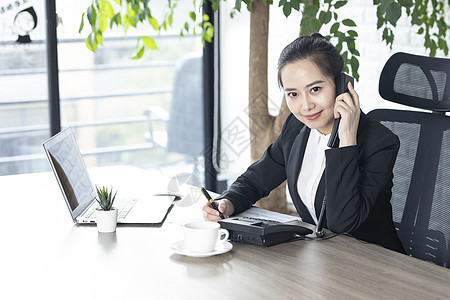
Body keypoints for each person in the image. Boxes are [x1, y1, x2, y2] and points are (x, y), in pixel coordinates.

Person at [203, 33, 405, 253]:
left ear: (341, 84)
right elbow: (255, 181)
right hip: (321, 257)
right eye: (293, 94)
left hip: (373, 264)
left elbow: (341, 222)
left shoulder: (380, 143)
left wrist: (347, 140)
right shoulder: (297, 127)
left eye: (315, 89)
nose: (305, 106)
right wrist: (227, 202)